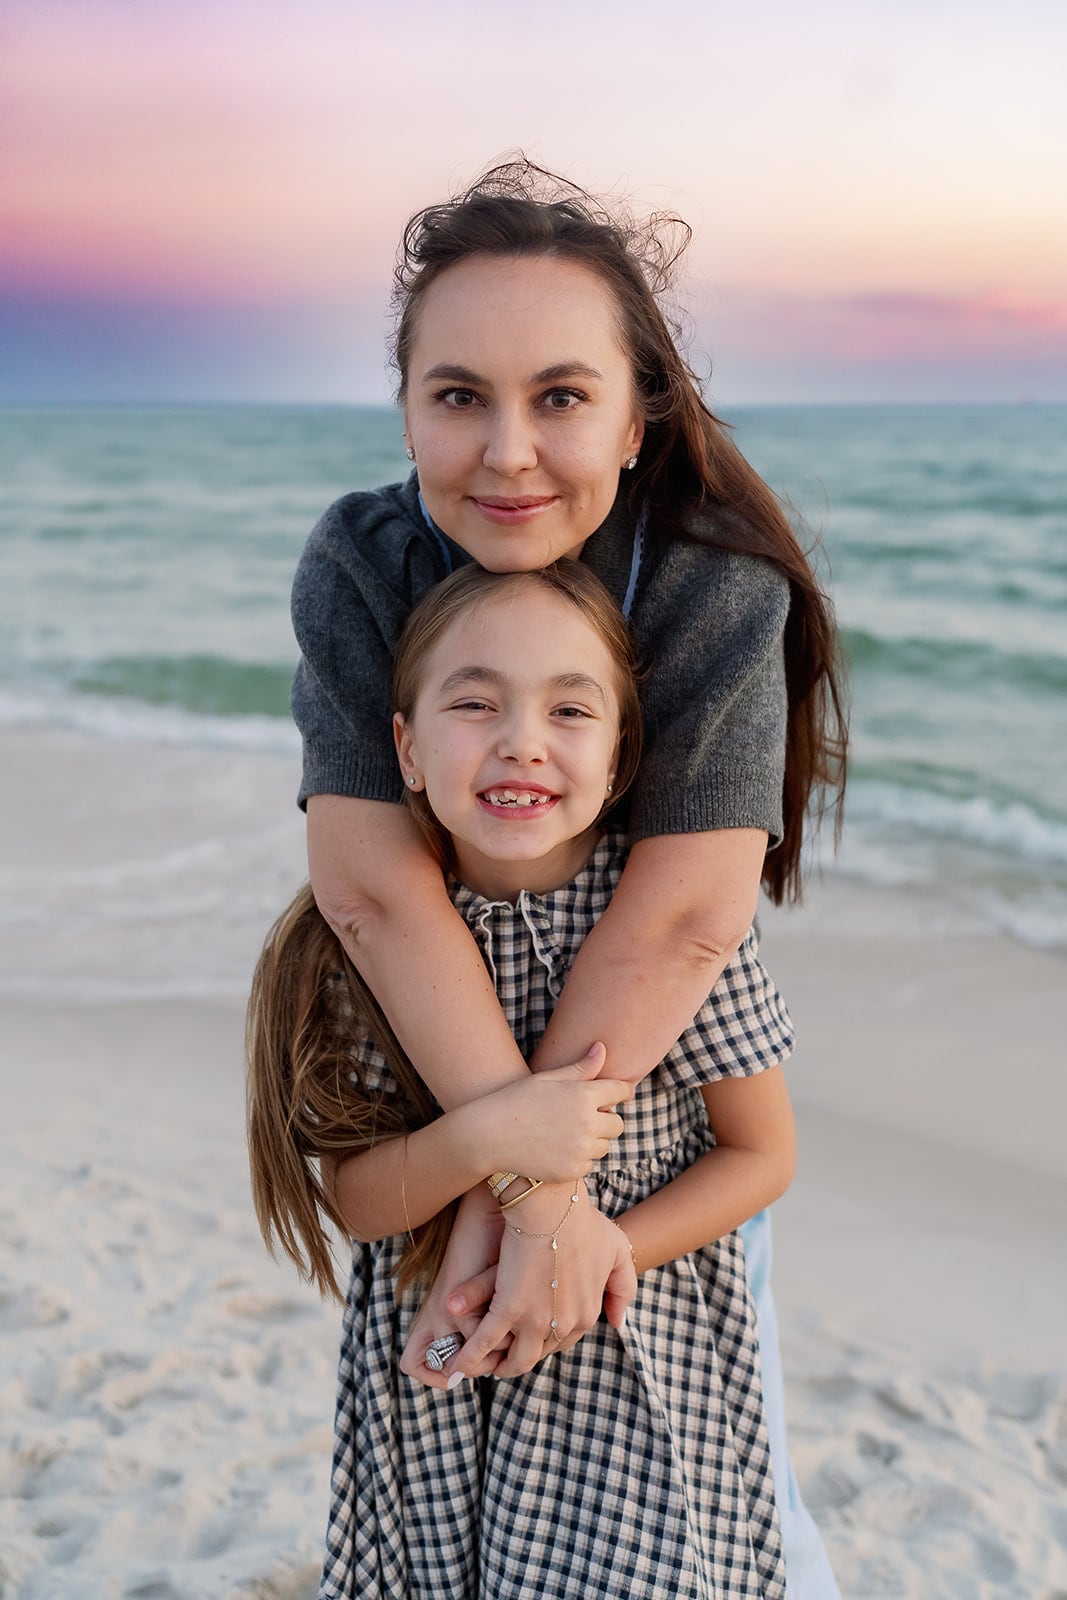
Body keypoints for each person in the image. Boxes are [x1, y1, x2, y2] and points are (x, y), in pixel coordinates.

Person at [289, 159, 846, 1594]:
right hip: (457, 1130)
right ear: (405, 406)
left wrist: (547, 1202)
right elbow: (371, 889)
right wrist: (522, 1190)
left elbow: (685, 919)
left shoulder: (708, 581)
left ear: (634, 412)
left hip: (636, 1150)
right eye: (456, 396)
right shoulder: (366, 559)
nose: (506, 452)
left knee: (728, 1512)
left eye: (559, 396)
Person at [248, 560, 798, 1598]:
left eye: (569, 709)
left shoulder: (668, 927)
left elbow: (760, 1153)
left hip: (633, 1347)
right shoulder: (373, 946)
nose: (521, 741)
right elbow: (357, 1200)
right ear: (404, 750)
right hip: (443, 1363)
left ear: (621, 756)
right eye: (473, 704)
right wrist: (488, 1139)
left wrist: (596, 1252)